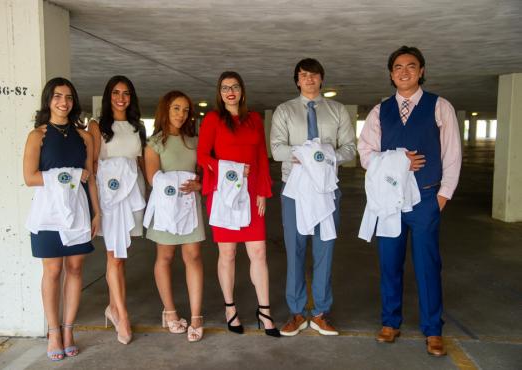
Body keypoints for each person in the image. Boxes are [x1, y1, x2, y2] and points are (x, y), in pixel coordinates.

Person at [358, 45, 462, 356]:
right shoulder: (380, 110)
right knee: (390, 262)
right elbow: (366, 155)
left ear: (422, 71)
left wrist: (443, 195)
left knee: (427, 265)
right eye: (398, 67)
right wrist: (397, 160)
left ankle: (433, 329)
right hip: (389, 200)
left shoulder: (439, 106)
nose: (404, 71)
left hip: (427, 197)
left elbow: (452, 153)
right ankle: (390, 322)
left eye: (411, 66)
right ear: (391, 74)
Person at [270, 58, 356, 336]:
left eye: (313, 75)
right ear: (297, 80)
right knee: (294, 250)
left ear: (321, 79)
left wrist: (328, 156)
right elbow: (277, 150)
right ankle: (296, 313)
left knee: (324, 249)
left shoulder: (337, 110)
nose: (308, 79)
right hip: (293, 190)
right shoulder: (284, 111)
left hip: (326, 190)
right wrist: (307, 156)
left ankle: (320, 312)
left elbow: (350, 149)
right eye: (303, 75)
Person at [23, 77, 100, 361]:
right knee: (53, 272)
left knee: (76, 269)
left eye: (68, 97)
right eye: (57, 96)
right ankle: (53, 332)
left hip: (78, 211)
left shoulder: (85, 136)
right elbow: (30, 178)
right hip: (48, 214)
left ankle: (69, 329)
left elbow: (90, 177)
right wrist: (69, 174)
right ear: (48, 100)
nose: (63, 102)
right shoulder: (37, 135)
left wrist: (97, 212)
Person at [197, 71, 279, 337]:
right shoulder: (212, 119)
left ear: (242, 91)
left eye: (234, 87)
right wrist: (230, 171)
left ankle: (264, 311)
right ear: (219, 94)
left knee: (258, 253)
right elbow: (202, 155)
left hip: (252, 192)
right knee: (228, 254)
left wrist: (262, 192)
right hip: (223, 195)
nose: (230, 91)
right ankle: (230, 308)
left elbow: (261, 158)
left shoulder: (254, 119)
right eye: (224, 88)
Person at [143, 90, 206, 342]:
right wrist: (178, 182)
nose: (181, 114)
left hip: (190, 205)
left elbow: (204, 173)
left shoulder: (195, 140)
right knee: (165, 256)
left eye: (186, 110)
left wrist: (199, 184)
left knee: (193, 256)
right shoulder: (154, 143)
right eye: (176, 108)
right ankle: (169, 312)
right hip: (166, 208)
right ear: (166, 110)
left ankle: (196, 316)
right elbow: (152, 178)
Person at [88, 75, 147, 345]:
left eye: (126, 93)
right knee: (113, 256)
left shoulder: (138, 127)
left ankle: (112, 308)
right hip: (111, 199)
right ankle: (122, 316)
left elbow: (142, 162)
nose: (121, 98)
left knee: (121, 256)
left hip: (133, 194)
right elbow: (92, 168)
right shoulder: (97, 126)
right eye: (115, 92)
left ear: (131, 97)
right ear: (108, 96)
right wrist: (96, 207)